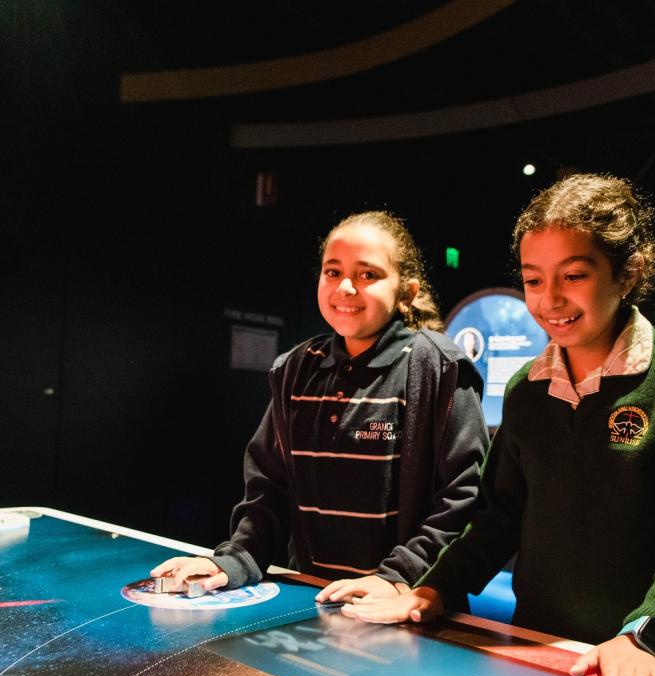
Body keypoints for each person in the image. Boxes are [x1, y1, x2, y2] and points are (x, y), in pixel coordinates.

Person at [342, 174, 655, 676]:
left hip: (646, 664)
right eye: (533, 280)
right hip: (539, 653)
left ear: (627, 274)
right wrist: (432, 588)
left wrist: (648, 635)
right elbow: (496, 517)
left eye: (575, 275)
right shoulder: (525, 392)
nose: (549, 299)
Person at [152, 211, 489, 604]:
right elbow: (268, 490)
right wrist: (235, 560)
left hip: (402, 606)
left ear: (406, 292)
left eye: (368, 275)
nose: (345, 287)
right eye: (332, 272)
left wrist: (398, 576)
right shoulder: (294, 369)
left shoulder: (438, 367)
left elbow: (464, 495)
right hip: (313, 603)